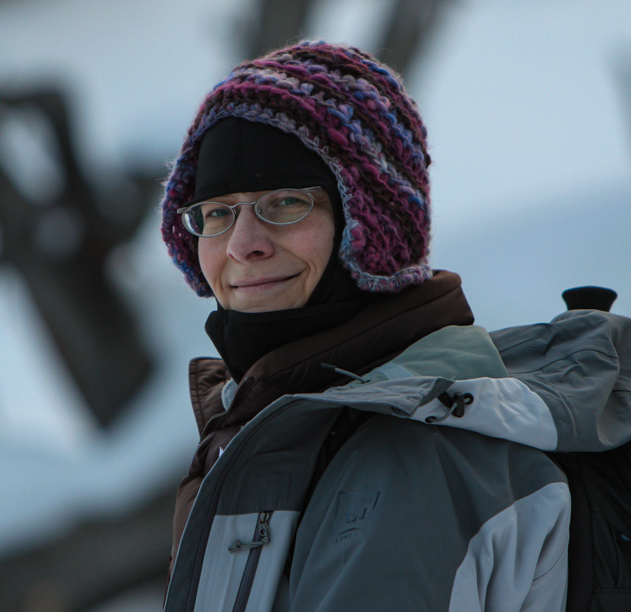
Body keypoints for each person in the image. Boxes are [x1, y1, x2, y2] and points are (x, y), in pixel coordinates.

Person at [158, 41, 571, 611]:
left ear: (371, 224)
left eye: (284, 203)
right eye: (218, 212)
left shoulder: (407, 460)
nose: (242, 245)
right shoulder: (276, 418)